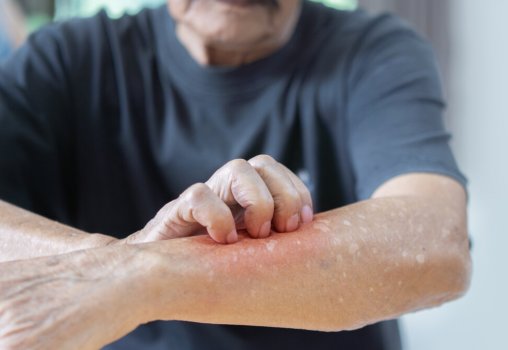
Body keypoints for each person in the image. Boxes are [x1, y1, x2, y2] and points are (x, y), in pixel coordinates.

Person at [0, 0, 471, 349]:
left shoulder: (374, 53)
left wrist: (148, 275)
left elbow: (434, 242)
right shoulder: (67, 58)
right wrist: (112, 262)